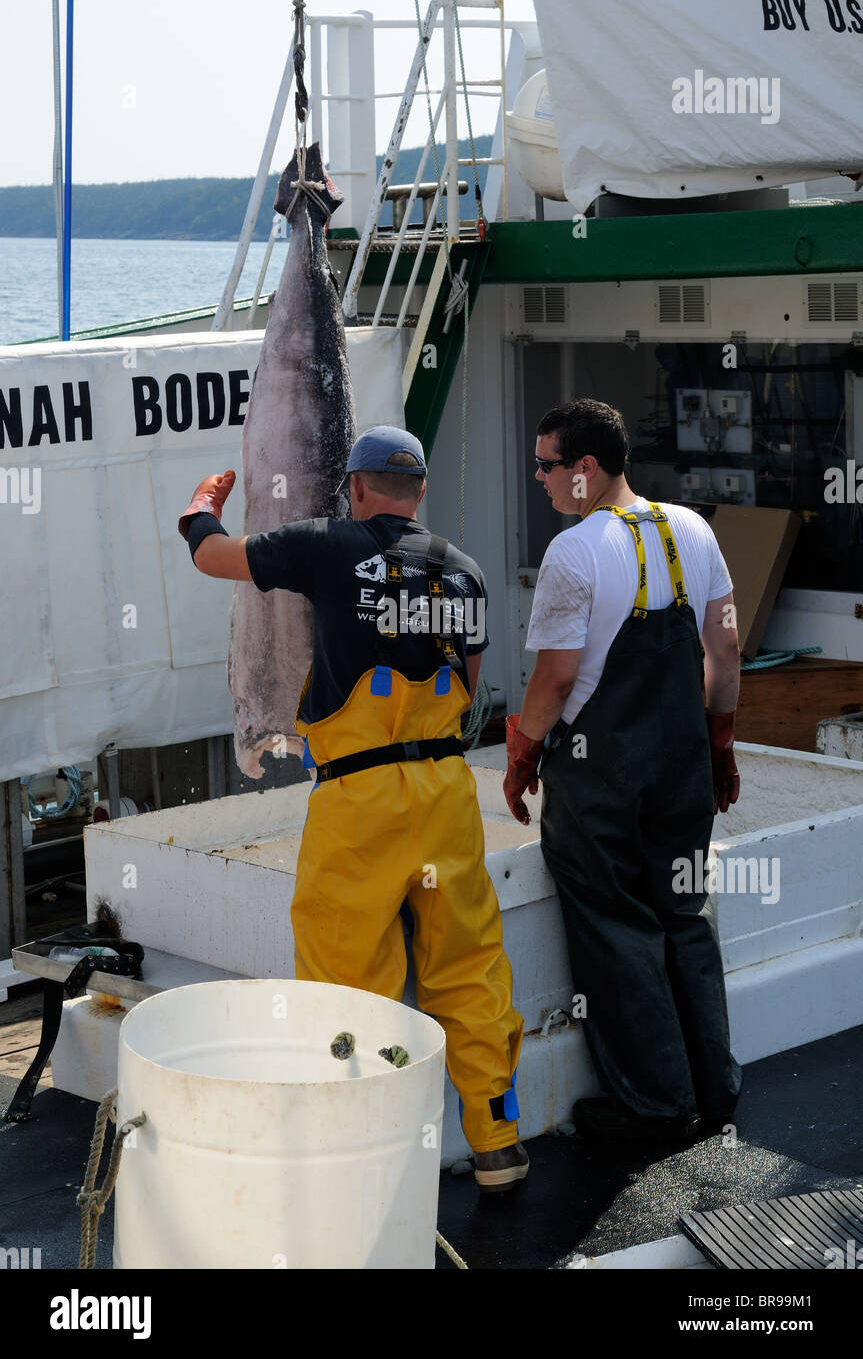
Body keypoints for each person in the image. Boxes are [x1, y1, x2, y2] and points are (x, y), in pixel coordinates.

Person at [179, 426, 527, 1191]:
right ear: (422, 491)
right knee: (468, 971)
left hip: (358, 800)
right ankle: (497, 1143)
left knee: (347, 982)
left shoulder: (330, 545)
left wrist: (201, 506)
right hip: (444, 795)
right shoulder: (464, 571)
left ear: (359, 489)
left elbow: (214, 558)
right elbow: (469, 687)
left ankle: (370, 1159)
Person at [504, 399, 742, 1142]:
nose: (537, 478)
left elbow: (555, 679)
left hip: (599, 770)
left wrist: (520, 754)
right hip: (681, 763)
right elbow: (725, 649)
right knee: (682, 915)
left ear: (583, 470)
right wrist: (721, 740)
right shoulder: (694, 530)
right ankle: (715, 1087)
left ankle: (655, 1106)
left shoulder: (574, 553)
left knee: (616, 925)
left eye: (545, 465)